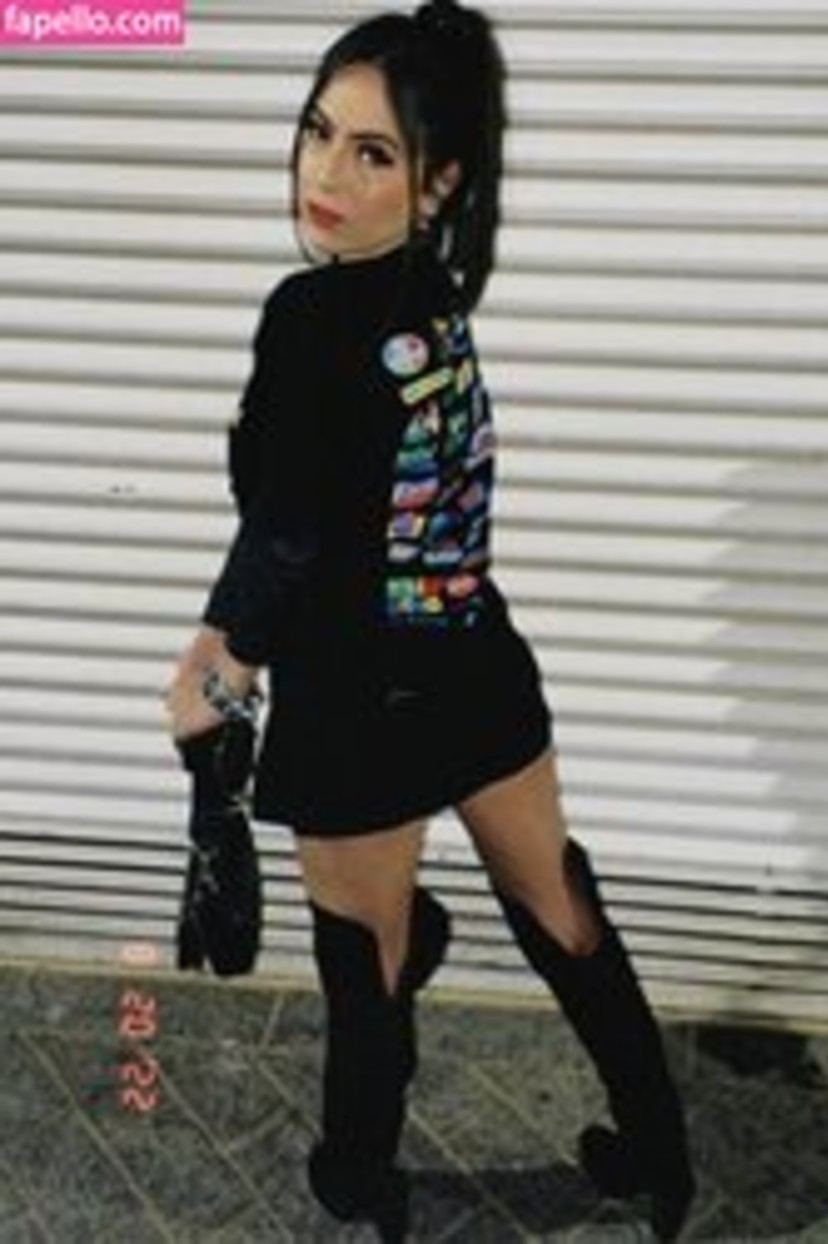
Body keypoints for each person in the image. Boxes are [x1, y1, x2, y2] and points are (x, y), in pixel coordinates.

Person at [164, 2, 696, 1240]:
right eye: (318, 133)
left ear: (438, 180)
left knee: (368, 962)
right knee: (558, 902)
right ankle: (662, 1155)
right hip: (475, 663)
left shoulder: (309, 318)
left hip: (358, 699)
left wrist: (214, 665)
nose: (326, 175)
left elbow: (289, 532)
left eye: (373, 153)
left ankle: (358, 1181)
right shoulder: (434, 302)